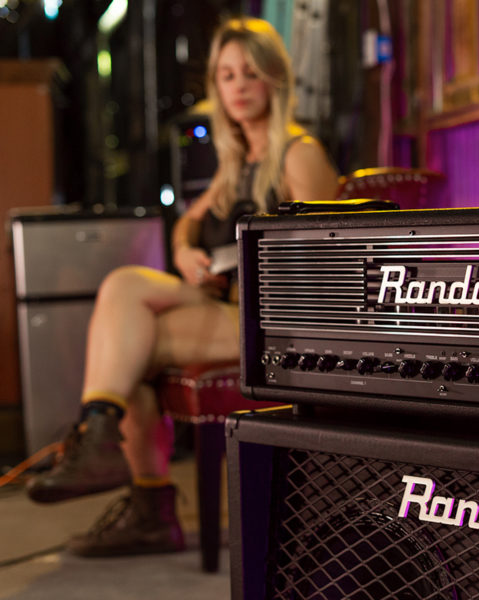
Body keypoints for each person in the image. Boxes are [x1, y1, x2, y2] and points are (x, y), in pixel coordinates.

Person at [26, 16, 339, 557]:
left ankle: (141, 494)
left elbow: (323, 262)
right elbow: (190, 222)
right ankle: (107, 440)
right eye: (226, 75)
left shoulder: (297, 153)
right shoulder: (240, 158)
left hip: (275, 319)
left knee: (133, 341)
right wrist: (187, 253)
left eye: (249, 73)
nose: (238, 86)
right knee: (126, 291)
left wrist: (236, 271)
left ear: (274, 79)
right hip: (229, 300)